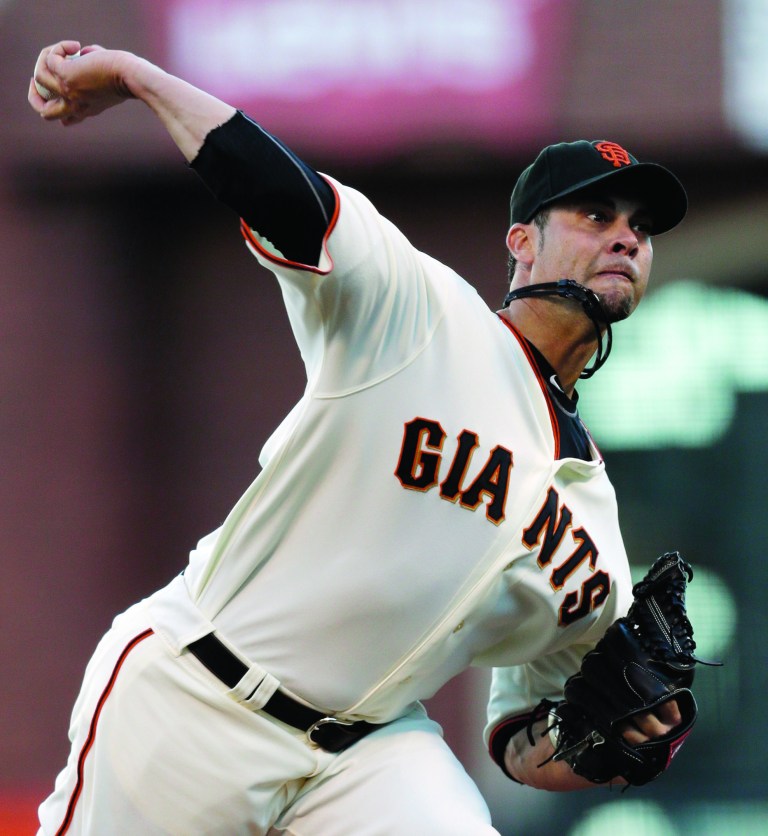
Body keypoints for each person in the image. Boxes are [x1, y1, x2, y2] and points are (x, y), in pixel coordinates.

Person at [29, 41, 690, 836]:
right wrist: (140, 79)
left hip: (369, 755)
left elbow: (522, 743)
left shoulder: (597, 533)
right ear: (521, 242)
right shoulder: (421, 315)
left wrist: (609, 743)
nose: (625, 237)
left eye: (640, 228)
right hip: (197, 694)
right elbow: (288, 199)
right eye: (595, 214)